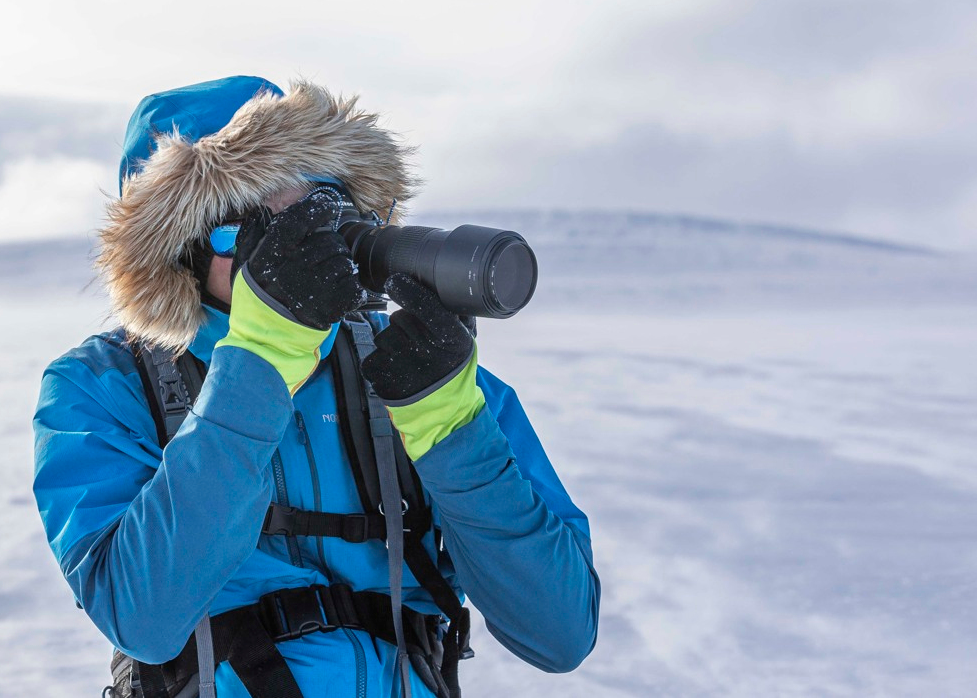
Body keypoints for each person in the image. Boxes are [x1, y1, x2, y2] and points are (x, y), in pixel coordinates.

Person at [32, 76, 599, 698]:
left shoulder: (417, 371)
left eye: (317, 208)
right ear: (180, 252)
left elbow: (560, 633)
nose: (296, 243)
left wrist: (451, 427)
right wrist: (260, 364)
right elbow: (143, 618)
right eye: (248, 221)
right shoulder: (101, 386)